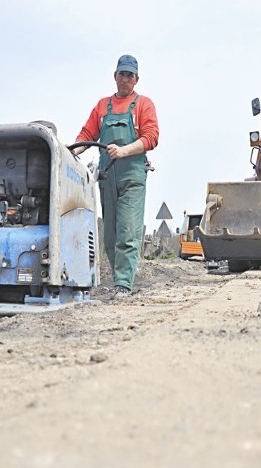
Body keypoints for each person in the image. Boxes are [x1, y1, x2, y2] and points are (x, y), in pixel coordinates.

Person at [72, 54, 159, 298]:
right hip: (107, 175)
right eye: (122, 73)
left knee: (128, 231)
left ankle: (123, 283)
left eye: (130, 75)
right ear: (115, 76)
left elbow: (151, 137)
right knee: (109, 235)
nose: (125, 78)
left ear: (137, 79)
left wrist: (124, 151)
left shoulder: (143, 105)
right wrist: (68, 153)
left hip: (132, 175)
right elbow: (87, 135)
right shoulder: (103, 106)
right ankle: (118, 276)